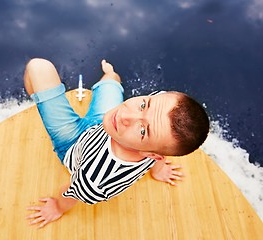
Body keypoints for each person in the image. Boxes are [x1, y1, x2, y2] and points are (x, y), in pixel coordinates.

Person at [24, 58, 209, 228]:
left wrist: (57, 206)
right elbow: (158, 150)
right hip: (104, 125)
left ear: (151, 154)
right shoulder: (160, 111)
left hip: (72, 142)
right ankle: (109, 73)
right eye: (143, 105)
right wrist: (159, 170)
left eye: (143, 130)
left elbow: (70, 193)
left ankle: (40, 101)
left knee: (37, 67)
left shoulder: (95, 180)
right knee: (112, 77)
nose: (126, 115)